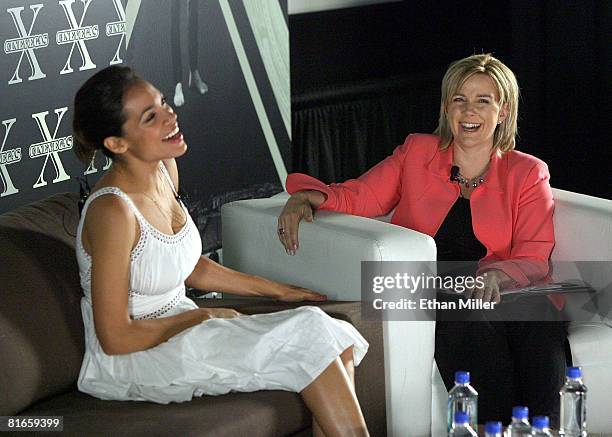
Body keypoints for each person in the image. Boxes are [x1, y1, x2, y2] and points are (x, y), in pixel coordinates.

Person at [72, 65, 369, 437]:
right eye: (151, 116)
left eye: (163, 102)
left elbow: (185, 265)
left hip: (182, 326)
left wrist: (276, 289)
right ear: (117, 143)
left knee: (331, 334)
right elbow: (115, 338)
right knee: (313, 336)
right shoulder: (112, 211)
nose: (170, 116)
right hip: (136, 356)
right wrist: (200, 316)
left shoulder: (165, 168)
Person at [278, 53, 567, 424]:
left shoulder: (527, 172)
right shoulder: (417, 152)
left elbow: (534, 253)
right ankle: (494, 429)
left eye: (483, 101)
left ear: (504, 110)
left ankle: (547, 428)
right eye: (459, 99)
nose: (469, 111)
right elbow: (361, 196)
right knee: (472, 321)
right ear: (447, 107)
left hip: (497, 286)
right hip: (429, 287)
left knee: (541, 317)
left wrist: (498, 275)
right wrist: (307, 196)